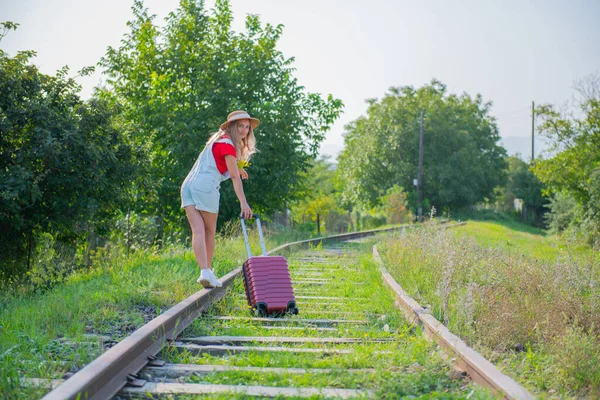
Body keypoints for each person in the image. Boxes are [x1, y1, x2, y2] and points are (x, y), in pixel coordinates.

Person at [181, 110, 258, 288]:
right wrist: (243, 203)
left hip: (188, 186)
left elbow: (216, 164)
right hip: (205, 187)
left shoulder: (216, 141)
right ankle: (206, 271)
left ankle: (205, 272)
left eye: (247, 127)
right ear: (232, 126)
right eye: (241, 126)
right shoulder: (229, 146)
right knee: (208, 232)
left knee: (198, 231)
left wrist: (237, 169)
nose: (245, 130)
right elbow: (234, 177)